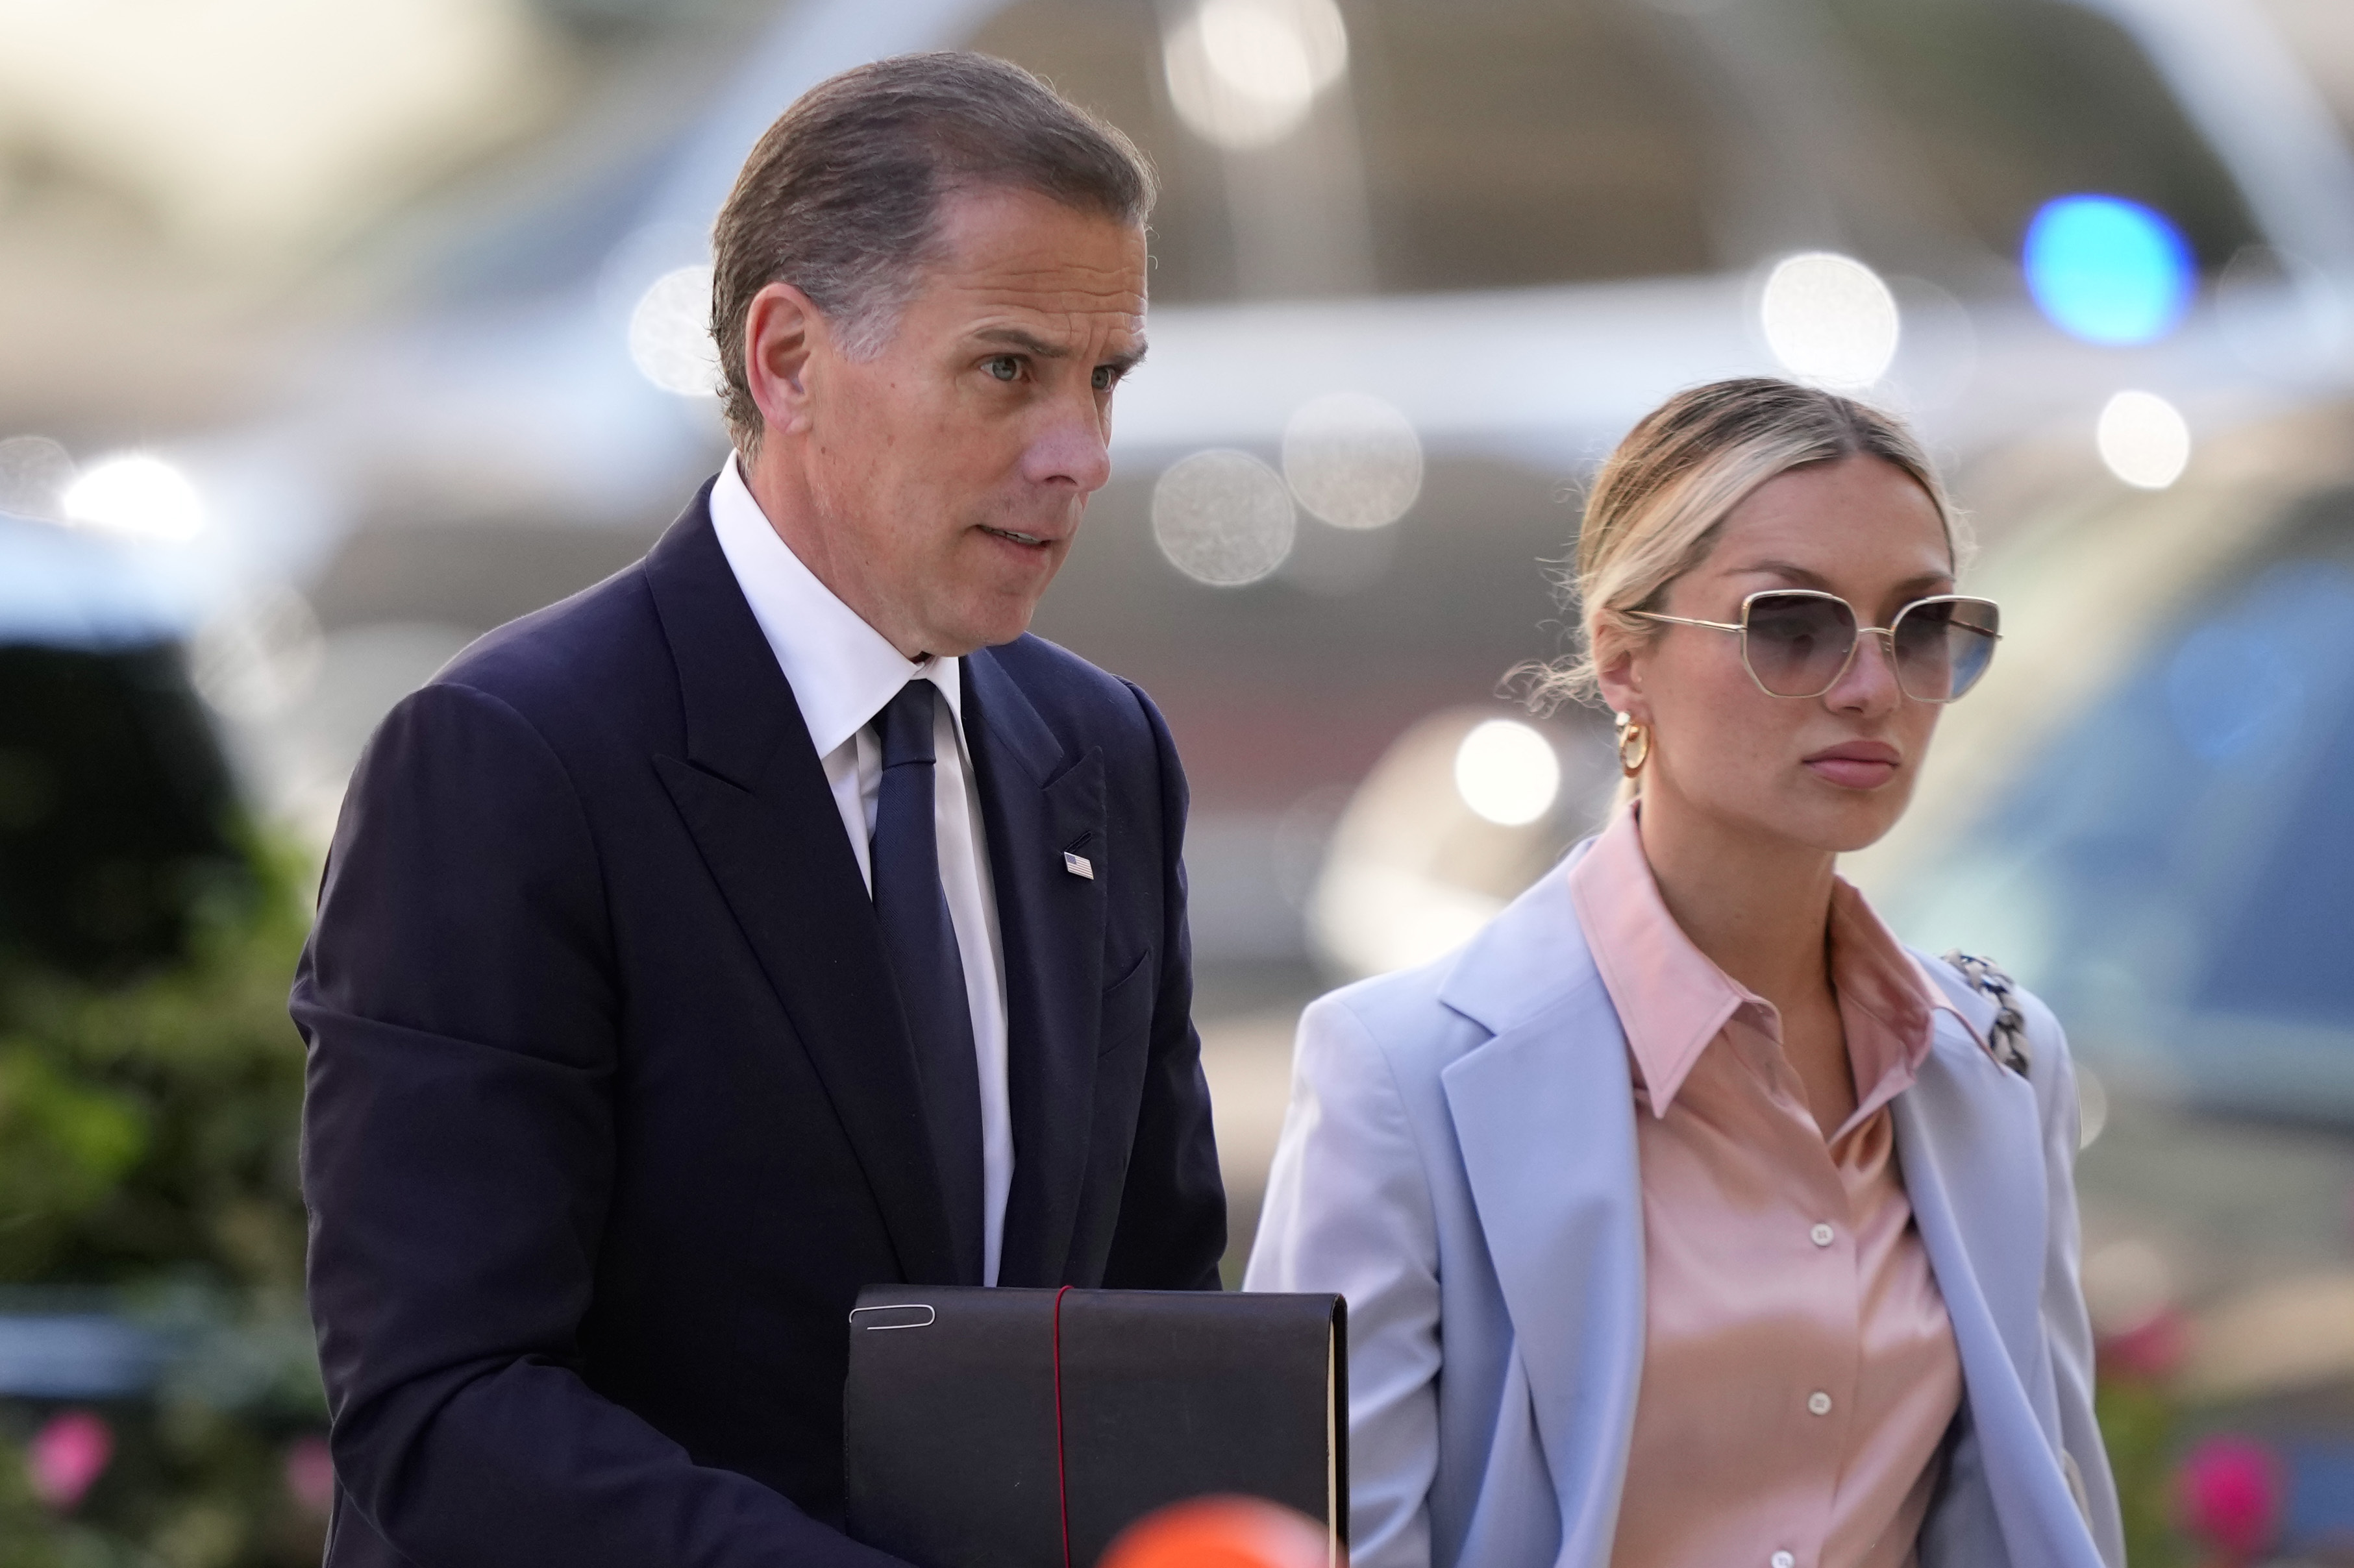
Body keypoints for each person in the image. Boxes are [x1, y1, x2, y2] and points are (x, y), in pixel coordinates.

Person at [293, 53, 1225, 1568]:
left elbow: (1150, 1315)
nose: (1082, 454)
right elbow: (443, 1404)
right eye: (1008, 369)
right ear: (787, 357)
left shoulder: (1100, 752)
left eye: (1104, 376)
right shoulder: (505, 759)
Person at [1246, 378, 2123, 1568]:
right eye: (1791, 627)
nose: (1870, 687)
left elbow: (2048, 1496)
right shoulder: (1397, 1074)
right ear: (1621, 658)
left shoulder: (2001, 1057)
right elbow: (1327, 1542)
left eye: (1920, 630)